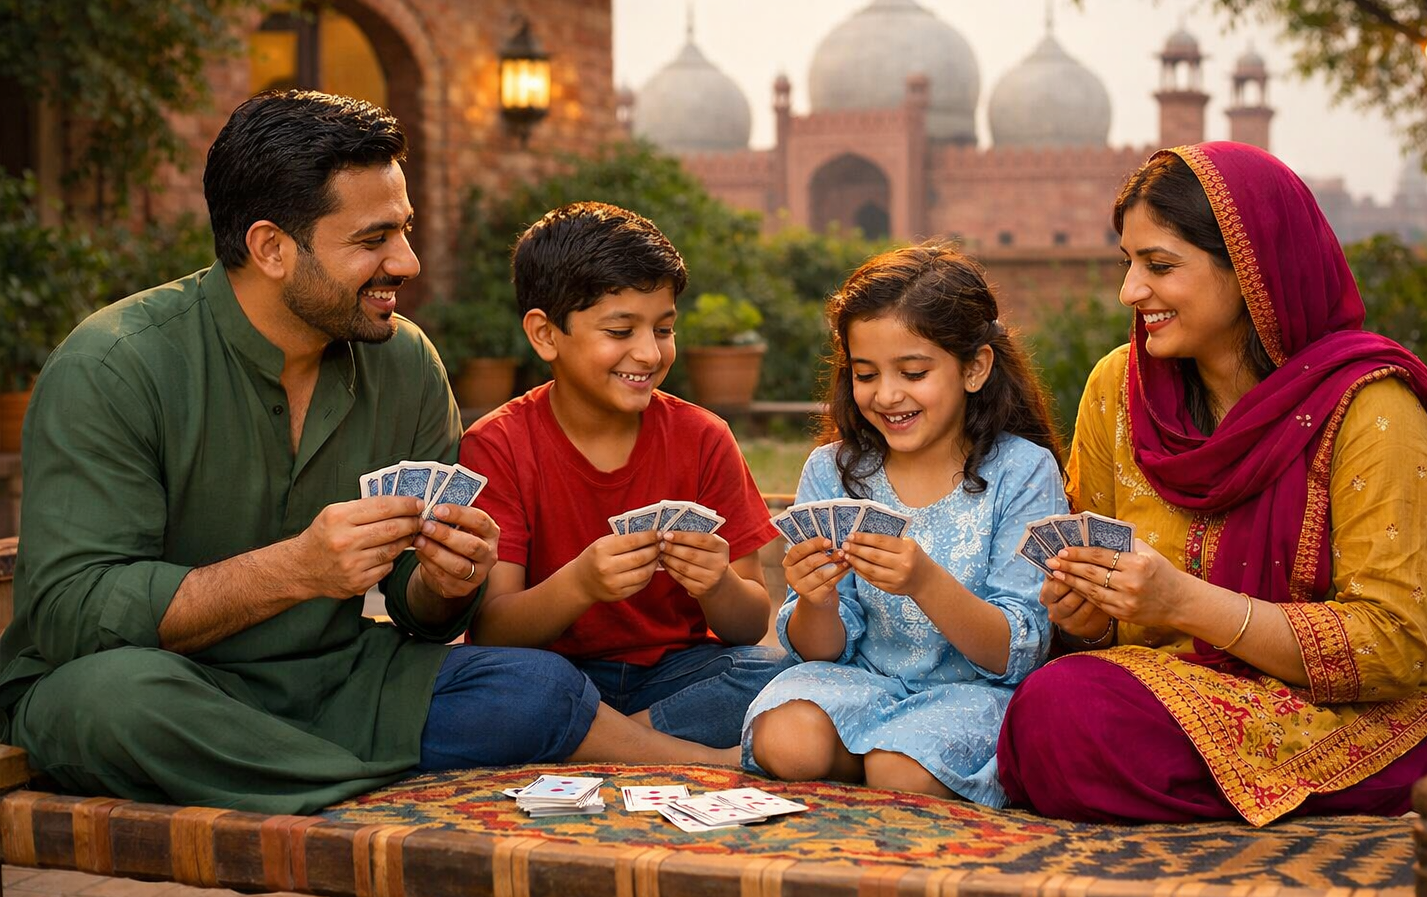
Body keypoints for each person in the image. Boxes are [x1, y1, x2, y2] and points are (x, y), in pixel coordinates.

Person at [0, 92, 733, 816]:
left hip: (340, 683)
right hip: (169, 684)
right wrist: (294, 569)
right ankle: (373, 791)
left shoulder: (404, 363)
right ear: (271, 248)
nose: (407, 262)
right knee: (109, 704)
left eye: (404, 230)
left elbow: (423, 615)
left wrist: (447, 579)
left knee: (534, 685)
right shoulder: (114, 366)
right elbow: (71, 611)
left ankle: (296, 778)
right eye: (373, 239)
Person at [997, 141, 1427, 826]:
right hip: (1182, 690)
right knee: (1053, 712)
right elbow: (1109, 615)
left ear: (1251, 269)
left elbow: (1391, 645)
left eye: (1159, 265)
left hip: (1357, 712)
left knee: (1066, 722)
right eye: (1127, 263)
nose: (1130, 291)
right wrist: (1090, 615)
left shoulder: (1369, 409)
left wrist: (1185, 602)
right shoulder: (1119, 391)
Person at [742, 245, 1066, 806]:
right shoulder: (833, 469)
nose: (887, 395)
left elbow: (1014, 651)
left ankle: (882, 761)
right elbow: (819, 652)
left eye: (913, 373)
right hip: (860, 682)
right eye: (866, 374)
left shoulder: (1022, 470)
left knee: (902, 771)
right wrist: (816, 599)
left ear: (974, 368)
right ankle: (872, 756)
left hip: (972, 693)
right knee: (787, 744)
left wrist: (925, 581)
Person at [459, 201, 785, 749]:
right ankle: (660, 749)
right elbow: (493, 629)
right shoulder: (498, 445)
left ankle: (604, 743)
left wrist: (717, 584)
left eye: (664, 328)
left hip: (674, 678)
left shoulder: (704, 438)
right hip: (555, 674)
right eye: (620, 330)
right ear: (545, 334)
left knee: (774, 675)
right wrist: (581, 583)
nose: (649, 353)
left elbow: (749, 625)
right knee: (507, 683)